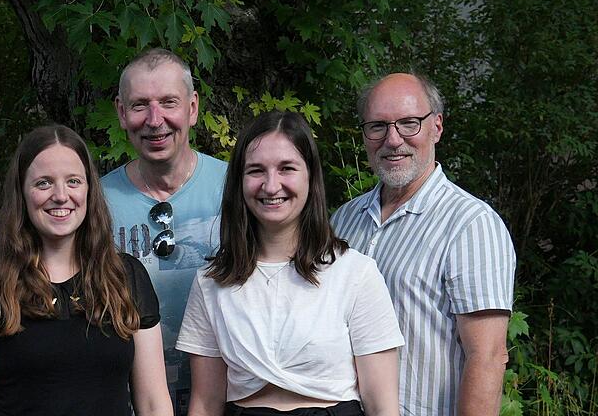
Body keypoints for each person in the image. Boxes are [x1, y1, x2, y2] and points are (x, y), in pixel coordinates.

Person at [177, 111, 404, 416]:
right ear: (239, 181)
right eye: (256, 171)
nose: (271, 186)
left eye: (287, 168)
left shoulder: (355, 273)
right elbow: (205, 403)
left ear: (310, 176)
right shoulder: (213, 281)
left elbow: (382, 405)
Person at [0, 124, 172, 416]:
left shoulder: (126, 277)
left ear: (89, 189)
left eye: (73, 182)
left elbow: (154, 404)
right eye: (43, 183)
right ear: (22, 193)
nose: (60, 195)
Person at [330, 73, 516, 415]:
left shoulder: (470, 224)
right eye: (378, 126)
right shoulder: (343, 221)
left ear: (437, 127)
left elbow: (487, 356)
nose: (393, 139)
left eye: (409, 123)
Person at [102, 48, 228, 413]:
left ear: (192, 107)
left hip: (229, 395)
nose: (155, 120)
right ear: (122, 113)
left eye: (168, 103)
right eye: (140, 105)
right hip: (131, 400)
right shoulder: (94, 205)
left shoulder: (238, 189)